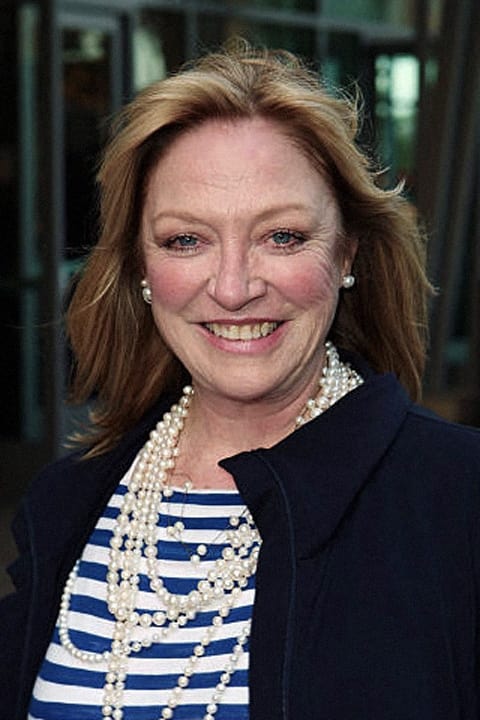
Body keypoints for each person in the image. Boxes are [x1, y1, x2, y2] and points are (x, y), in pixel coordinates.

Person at [1, 40, 480, 720]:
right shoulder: (66, 504)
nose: (232, 288)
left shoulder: (456, 497)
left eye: (281, 236)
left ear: (346, 252)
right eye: (185, 240)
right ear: (141, 267)